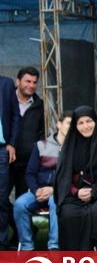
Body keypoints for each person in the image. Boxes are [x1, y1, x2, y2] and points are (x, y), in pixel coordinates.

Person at [54, 105, 97, 251]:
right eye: (80, 123)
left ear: (96, 121)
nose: (86, 126)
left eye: (89, 121)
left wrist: (94, 191)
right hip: (75, 197)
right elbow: (63, 179)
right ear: (75, 126)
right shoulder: (68, 148)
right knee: (68, 213)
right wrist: (75, 192)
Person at [13, 111, 72, 250]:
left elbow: (74, 176)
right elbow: (30, 173)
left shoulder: (75, 149)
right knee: (19, 205)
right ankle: (27, 247)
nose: (72, 127)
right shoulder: (41, 146)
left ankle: (54, 247)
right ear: (59, 124)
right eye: (69, 123)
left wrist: (54, 190)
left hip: (60, 192)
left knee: (55, 201)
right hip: (39, 190)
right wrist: (36, 190)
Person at [11, 67, 45, 199]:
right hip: (5, 159)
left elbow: (43, 132)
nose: (31, 85)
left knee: (23, 199)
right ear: (18, 81)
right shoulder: (5, 101)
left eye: (35, 82)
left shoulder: (41, 106)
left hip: (28, 162)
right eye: (28, 81)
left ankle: (15, 220)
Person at [0, 74, 20, 250]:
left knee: (1, 197)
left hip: (2, 149)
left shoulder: (6, 83)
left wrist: (12, 143)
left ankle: (2, 243)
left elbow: (15, 116)